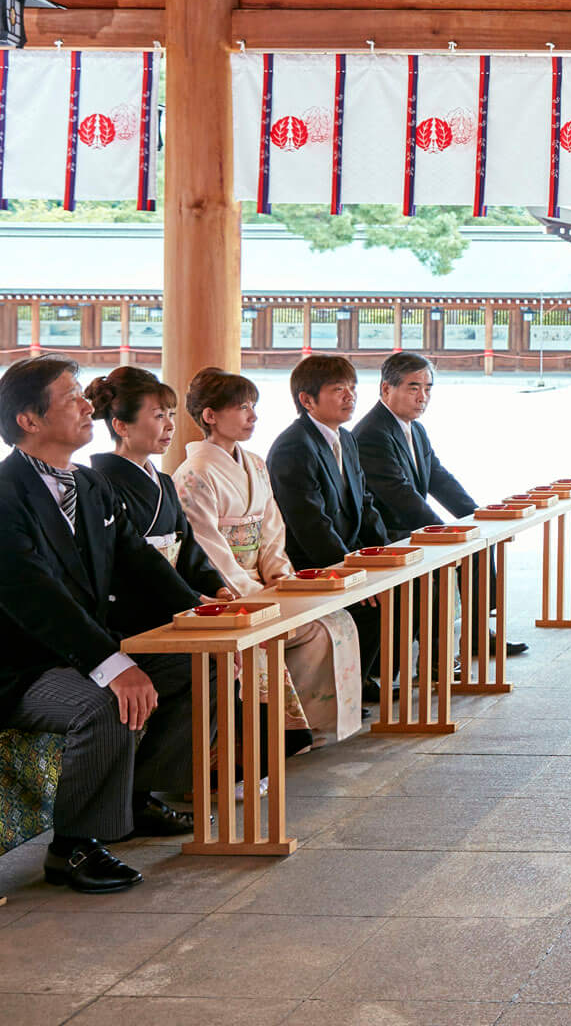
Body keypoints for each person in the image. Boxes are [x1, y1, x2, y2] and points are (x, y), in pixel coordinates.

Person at [0, 356, 206, 893]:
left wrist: (199, 611)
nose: (87, 404)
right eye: (72, 397)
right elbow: (34, 596)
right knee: (107, 700)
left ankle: (139, 798)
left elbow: (138, 561)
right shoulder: (4, 495)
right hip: (21, 665)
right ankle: (72, 848)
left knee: (192, 664)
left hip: (79, 651)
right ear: (29, 419)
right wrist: (113, 665)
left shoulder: (90, 485)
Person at [172, 368, 361, 749]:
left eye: (253, 407)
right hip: (227, 588)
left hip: (263, 580)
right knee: (264, 638)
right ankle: (276, 736)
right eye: (242, 408)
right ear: (210, 416)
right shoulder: (194, 473)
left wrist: (280, 578)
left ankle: (320, 723)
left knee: (331, 623)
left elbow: (272, 527)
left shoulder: (256, 463)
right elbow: (208, 545)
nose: (253, 417)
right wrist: (250, 591)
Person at [355, 351, 523, 658]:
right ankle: (435, 655)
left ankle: (475, 631)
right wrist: (445, 533)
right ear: (385, 389)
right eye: (413, 387)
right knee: (461, 545)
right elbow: (401, 495)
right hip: (387, 533)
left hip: (410, 526)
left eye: (428, 388)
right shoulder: (372, 433)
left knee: (479, 542)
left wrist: (477, 515)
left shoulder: (414, 427)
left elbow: (438, 477)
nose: (423, 397)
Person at [267, 355, 392, 692]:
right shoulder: (294, 446)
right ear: (307, 400)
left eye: (352, 388)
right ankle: (351, 686)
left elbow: (364, 504)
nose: (350, 396)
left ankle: (362, 679)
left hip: (345, 555)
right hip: (309, 563)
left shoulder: (345, 438)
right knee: (374, 604)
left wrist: (382, 555)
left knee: (397, 585)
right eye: (338, 389)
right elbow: (311, 524)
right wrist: (350, 573)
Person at [84, 366, 235, 602]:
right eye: (158, 416)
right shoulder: (100, 486)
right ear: (121, 425)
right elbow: (128, 561)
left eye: (170, 415)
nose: (170, 425)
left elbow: (187, 547)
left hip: (178, 599)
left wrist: (215, 586)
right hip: (138, 607)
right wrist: (192, 597)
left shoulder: (163, 481)